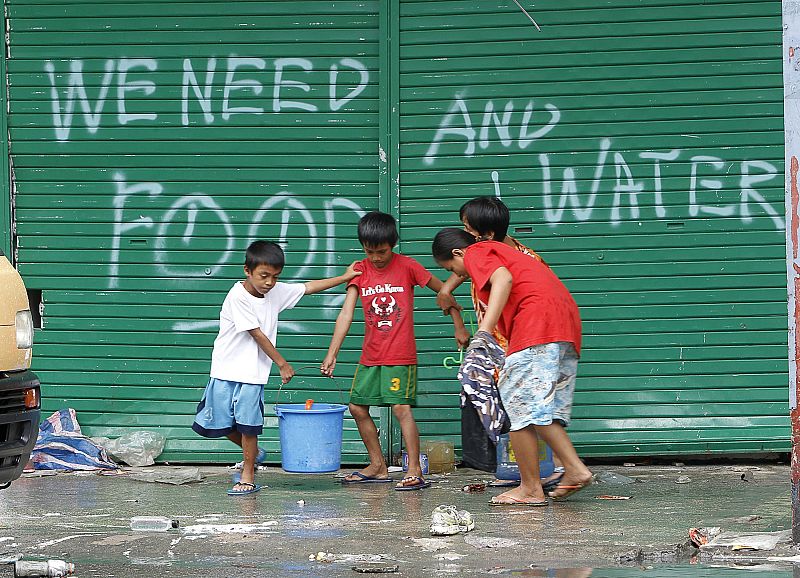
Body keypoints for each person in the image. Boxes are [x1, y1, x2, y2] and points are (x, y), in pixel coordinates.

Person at [432, 228, 593, 505]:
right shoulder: (508, 252)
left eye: (453, 268)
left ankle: (530, 489)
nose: (462, 275)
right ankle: (575, 469)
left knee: (519, 406)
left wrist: (483, 330)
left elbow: (502, 278)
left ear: (458, 253)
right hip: (564, 324)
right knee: (542, 410)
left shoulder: (477, 251)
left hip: (537, 324)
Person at [192, 240, 361, 496]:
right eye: (264, 276)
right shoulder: (237, 296)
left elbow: (309, 288)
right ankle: (256, 453)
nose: (269, 282)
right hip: (225, 370)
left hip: (252, 374)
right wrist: (282, 363)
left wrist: (345, 277)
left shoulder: (275, 292)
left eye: (275, 277)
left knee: (248, 426)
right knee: (216, 424)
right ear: (247, 270)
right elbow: (256, 333)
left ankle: (248, 475)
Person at [321, 211, 468, 491]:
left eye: (382, 251)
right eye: (370, 251)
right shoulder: (359, 271)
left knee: (401, 408)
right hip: (370, 355)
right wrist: (332, 352)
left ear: (393, 244)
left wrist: (458, 325)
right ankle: (378, 466)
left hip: (401, 354)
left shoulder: (408, 267)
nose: (376, 257)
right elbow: (346, 314)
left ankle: (414, 470)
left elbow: (444, 293)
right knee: (356, 407)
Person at [436, 196, 564, 488]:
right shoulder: (484, 251)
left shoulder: (518, 258)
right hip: (499, 340)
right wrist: (447, 292)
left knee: (527, 408)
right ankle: (527, 472)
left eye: (467, 227)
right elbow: (464, 269)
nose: (464, 232)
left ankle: (548, 473)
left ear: (486, 234)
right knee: (515, 410)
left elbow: (526, 291)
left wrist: (484, 332)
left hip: (522, 340)